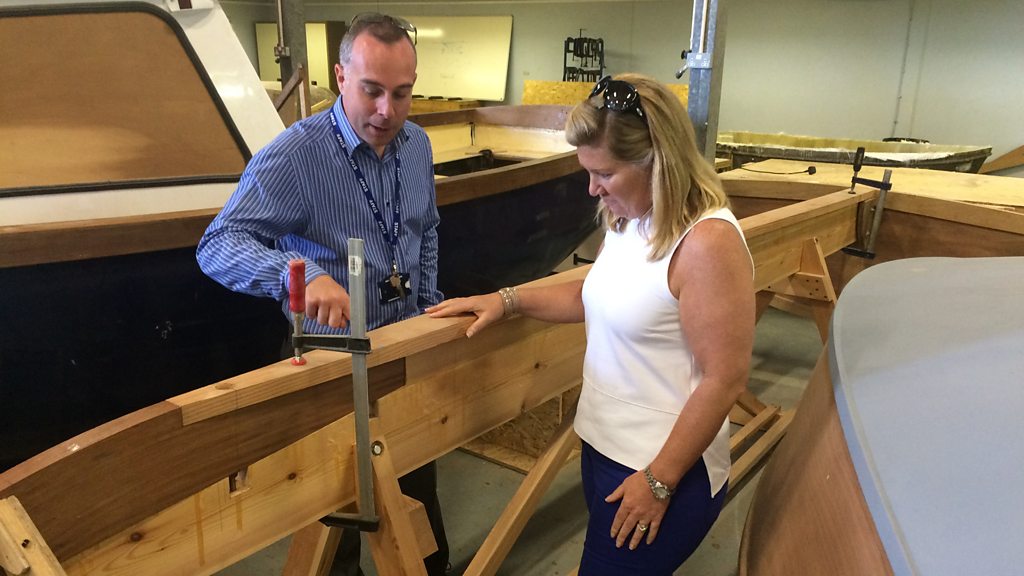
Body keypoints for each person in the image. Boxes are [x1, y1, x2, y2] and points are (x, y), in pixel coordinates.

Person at [427, 73, 754, 575]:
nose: (592, 188)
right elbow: (593, 292)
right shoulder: (629, 219)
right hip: (604, 448)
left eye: (604, 173)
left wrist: (660, 480)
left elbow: (725, 378)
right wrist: (506, 300)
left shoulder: (706, 243)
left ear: (658, 161)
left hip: (663, 467)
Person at [196, 13, 448, 576]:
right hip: (329, 369)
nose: (387, 111)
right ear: (340, 77)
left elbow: (426, 229)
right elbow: (218, 244)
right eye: (372, 90)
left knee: (418, 510)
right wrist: (302, 275)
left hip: (402, 358)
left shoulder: (417, 145)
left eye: (402, 94)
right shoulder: (295, 156)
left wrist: (429, 306)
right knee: (336, 532)